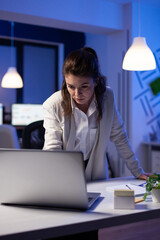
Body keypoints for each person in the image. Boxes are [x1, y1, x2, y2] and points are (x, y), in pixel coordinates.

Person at [43, 46, 150, 181]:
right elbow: (52, 149)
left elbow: (119, 137)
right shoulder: (53, 104)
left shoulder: (107, 97)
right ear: (65, 82)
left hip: (96, 176)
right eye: (71, 87)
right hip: (62, 176)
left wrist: (137, 171)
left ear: (96, 81)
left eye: (84, 86)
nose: (77, 94)